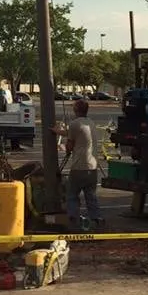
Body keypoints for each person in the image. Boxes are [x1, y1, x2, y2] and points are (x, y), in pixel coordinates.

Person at [55, 99, 102, 230]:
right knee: (90, 195)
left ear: (76, 110)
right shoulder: (90, 123)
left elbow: (69, 146)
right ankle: (96, 219)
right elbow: (77, 134)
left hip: (79, 166)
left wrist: (63, 144)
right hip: (92, 167)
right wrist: (60, 132)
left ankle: (73, 220)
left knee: (72, 194)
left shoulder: (75, 123)